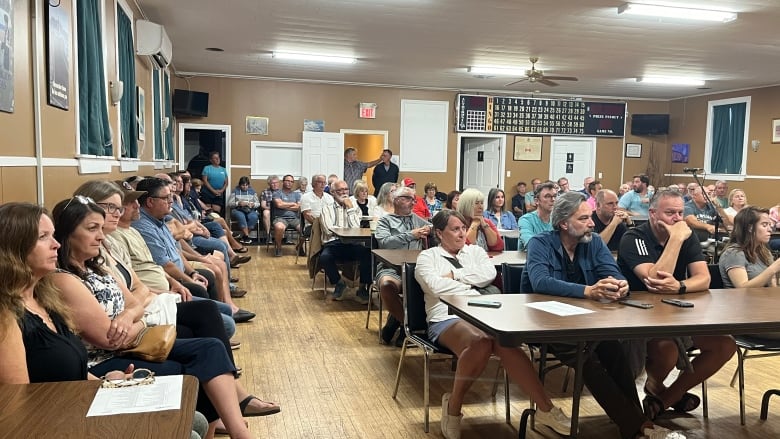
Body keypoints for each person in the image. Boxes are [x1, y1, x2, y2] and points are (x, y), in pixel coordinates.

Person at [49, 196, 256, 438]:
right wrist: (137, 320)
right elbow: (109, 339)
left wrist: (128, 317)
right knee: (195, 365)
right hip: (105, 361)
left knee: (210, 348)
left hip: (133, 341)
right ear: (67, 233)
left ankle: (237, 430)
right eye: (92, 228)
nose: (101, 236)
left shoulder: (95, 266)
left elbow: (135, 303)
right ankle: (228, 425)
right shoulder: (64, 279)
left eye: (100, 228)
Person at [523, 192, 684, 439]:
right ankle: (640, 427)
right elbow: (540, 282)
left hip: (588, 320)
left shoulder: (594, 242)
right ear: (564, 223)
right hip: (548, 324)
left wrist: (620, 285)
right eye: (584, 218)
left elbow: (614, 272)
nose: (591, 223)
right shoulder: (540, 243)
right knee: (586, 355)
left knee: (614, 351)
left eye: (590, 218)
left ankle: (636, 423)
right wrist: (587, 290)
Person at [415, 210, 571, 439]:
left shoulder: (475, 251)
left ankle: (546, 410)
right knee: (481, 341)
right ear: (439, 233)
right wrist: (472, 286)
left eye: (463, 228)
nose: (461, 234)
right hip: (445, 316)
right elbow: (435, 287)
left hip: (485, 313)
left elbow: (488, 274)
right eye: (455, 229)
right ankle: (454, 407)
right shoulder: (428, 257)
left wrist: (455, 277)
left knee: (504, 341)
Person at [617, 189, 736, 421]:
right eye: (670, 213)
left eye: (680, 212)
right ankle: (656, 387)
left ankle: (666, 397)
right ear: (652, 214)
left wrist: (680, 286)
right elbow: (655, 280)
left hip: (675, 313)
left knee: (725, 345)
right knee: (667, 350)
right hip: (637, 319)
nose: (677, 219)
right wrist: (675, 239)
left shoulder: (686, 235)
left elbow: (703, 278)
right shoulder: (634, 238)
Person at [374, 186, 431, 346]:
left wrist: (431, 230)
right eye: (408, 198)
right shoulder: (385, 220)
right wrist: (410, 235)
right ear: (396, 200)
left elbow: (435, 228)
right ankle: (411, 328)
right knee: (387, 285)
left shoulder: (417, 219)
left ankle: (396, 323)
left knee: (428, 284)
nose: (413, 202)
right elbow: (384, 242)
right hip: (390, 267)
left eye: (414, 199)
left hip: (415, 269)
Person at [319, 180, 373, 303]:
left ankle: (362, 288)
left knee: (369, 254)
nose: (344, 193)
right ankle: (339, 283)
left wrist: (350, 208)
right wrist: (344, 231)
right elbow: (328, 230)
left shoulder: (354, 208)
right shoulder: (326, 209)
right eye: (340, 190)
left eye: (346, 190)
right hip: (333, 243)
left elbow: (356, 229)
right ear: (332, 192)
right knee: (324, 257)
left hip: (352, 243)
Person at [519, 182, 556, 251]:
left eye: (555, 196)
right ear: (537, 201)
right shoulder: (525, 220)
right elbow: (531, 244)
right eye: (547, 196)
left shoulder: (558, 220)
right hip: (531, 259)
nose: (553, 199)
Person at [271, 174, 302, 257]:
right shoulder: (277, 193)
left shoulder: (297, 195)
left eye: (292, 181)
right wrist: (292, 204)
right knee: (279, 227)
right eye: (288, 181)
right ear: (283, 182)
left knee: (305, 229)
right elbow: (278, 205)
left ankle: (300, 246)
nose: (289, 183)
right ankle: (279, 247)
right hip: (280, 218)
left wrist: (284, 206)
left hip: (294, 219)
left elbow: (298, 207)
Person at [228, 176, 260, 245]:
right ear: (240, 185)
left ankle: (245, 236)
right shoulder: (235, 191)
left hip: (250, 209)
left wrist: (253, 204)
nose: (245, 187)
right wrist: (238, 203)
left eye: (246, 185)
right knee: (240, 216)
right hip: (238, 209)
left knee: (254, 216)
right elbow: (230, 204)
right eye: (243, 185)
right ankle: (246, 237)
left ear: (248, 185)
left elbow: (258, 204)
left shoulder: (252, 191)